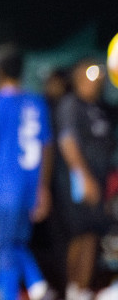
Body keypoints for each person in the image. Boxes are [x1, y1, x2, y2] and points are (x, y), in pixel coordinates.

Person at [0, 43, 53, 300]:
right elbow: (46, 148)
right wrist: (43, 189)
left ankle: (15, 293)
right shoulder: (37, 104)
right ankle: (37, 285)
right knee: (15, 244)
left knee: (2, 249)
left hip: (0, 191)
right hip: (28, 190)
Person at [55, 58, 112, 300]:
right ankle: (72, 288)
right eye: (90, 75)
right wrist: (85, 177)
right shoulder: (71, 105)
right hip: (78, 182)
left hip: (100, 179)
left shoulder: (100, 107)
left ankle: (83, 290)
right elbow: (67, 142)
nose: (96, 80)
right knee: (78, 233)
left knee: (92, 234)